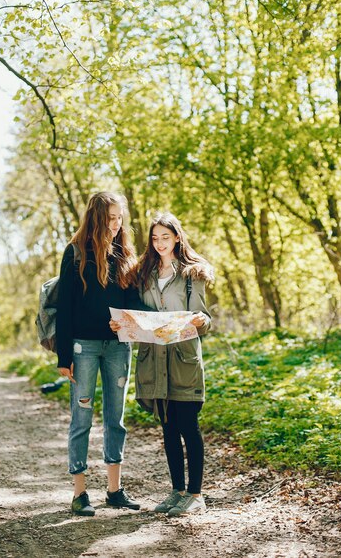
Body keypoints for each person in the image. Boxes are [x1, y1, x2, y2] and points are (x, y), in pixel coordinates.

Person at [56, 191, 149, 516]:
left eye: (119, 217)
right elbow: (64, 309)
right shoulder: (75, 254)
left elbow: (134, 301)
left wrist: (127, 320)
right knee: (81, 418)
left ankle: (114, 490)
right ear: (96, 218)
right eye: (111, 217)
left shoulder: (124, 254)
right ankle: (80, 493)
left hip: (117, 347)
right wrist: (63, 357)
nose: (117, 223)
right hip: (82, 348)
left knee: (116, 419)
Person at [123, 212, 213, 517]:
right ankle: (176, 492)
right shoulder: (143, 274)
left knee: (188, 425)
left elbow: (203, 320)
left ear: (177, 237)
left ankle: (196, 494)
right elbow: (138, 315)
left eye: (165, 236)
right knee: (168, 428)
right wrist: (123, 324)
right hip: (154, 361)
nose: (160, 243)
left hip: (183, 360)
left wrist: (202, 321)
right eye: (155, 237)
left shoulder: (193, 274)